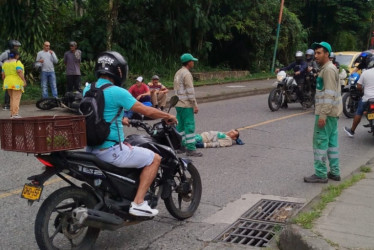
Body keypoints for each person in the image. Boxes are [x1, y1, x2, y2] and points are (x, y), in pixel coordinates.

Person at [84, 51, 177, 217]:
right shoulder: (118, 92)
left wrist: (121, 119)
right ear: (119, 71)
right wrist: (167, 115)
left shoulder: (88, 89)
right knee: (154, 159)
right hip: (109, 151)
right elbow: (145, 110)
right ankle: (139, 202)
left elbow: (100, 113)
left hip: (90, 149)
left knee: (131, 148)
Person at [304, 41, 342, 183]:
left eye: (319, 53)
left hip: (326, 114)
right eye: (315, 53)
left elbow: (329, 94)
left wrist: (323, 115)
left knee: (320, 143)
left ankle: (320, 174)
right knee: (332, 144)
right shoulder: (327, 68)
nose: (316, 56)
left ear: (327, 54)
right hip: (332, 114)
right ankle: (335, 172)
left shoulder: (329, 70)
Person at [174, 53, 202, 157]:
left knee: (180, 126)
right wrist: (194, 104)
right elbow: (190, 91)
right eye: (192, 61)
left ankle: (181, 146)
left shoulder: (178, 73)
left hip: (178, 103)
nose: (193, 63)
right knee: (189, 126)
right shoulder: (186, 74)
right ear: (189, 62)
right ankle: (191, 149)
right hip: (186, 104)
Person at [344, 59, 374, 137]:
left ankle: (352, 131)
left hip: (367, 98)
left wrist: (362, 91)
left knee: (359, 112)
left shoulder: (365, 73)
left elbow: (359, 86)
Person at [1, 49, 26, 118]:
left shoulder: (5, 63)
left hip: (7, 83)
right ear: (16, 56)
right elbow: (19, 71)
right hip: (16, 83)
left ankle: (12, 114)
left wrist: (5, 81)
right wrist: (24, 80)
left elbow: (3, 75)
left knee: (12, 98)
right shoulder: (17, 62)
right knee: (16, 98)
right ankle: (15, 114)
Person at [0, 40, 21, 111]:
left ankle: (12, 104)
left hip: (13, 74)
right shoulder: (6, 53)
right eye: (16, 46)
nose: (17, 47)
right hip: (7, 73)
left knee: (13, 89)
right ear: (11, 46)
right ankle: (6, 104)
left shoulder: (14, 53)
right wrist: (4, 65)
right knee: (8, 89)